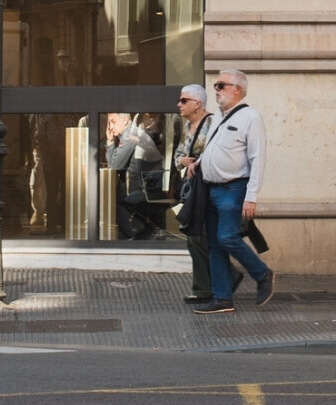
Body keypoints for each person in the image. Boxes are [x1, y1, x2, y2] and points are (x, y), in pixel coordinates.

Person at [193, 69, 274, 313]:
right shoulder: (217, 116)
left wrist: (251, 196)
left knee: (227, 237)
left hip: (233, 189)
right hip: (210, 189)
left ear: (237, 89)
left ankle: (263, 274)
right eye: (215, 85)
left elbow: (257, 158)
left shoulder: (251, 117)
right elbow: (214, 147)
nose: (215, 90)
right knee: (215, 245)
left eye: (221, 85)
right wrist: (198, 164)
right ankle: (222, 299)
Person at [174, 84, 236, 305]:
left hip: (208, 187)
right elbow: (178, 154)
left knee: (198, 236)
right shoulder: (187, 126)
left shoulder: (212, 123)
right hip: (193, 188)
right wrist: (181, 161)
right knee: (196, 237)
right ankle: (208, 286)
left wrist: (198, 162)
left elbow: (219, 150)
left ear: (197, 103)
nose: (179, 104)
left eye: (183, 100)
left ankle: (210, 286)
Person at [106, 112, 166, 240]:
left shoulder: (129, 136)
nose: (110, 127)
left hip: (147, 189)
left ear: (126, 121)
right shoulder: (129, 134)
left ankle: (141, 232)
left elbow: (114, 166)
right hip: (145, 186)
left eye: (113, 121)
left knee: (110, 201)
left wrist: (110, 142)